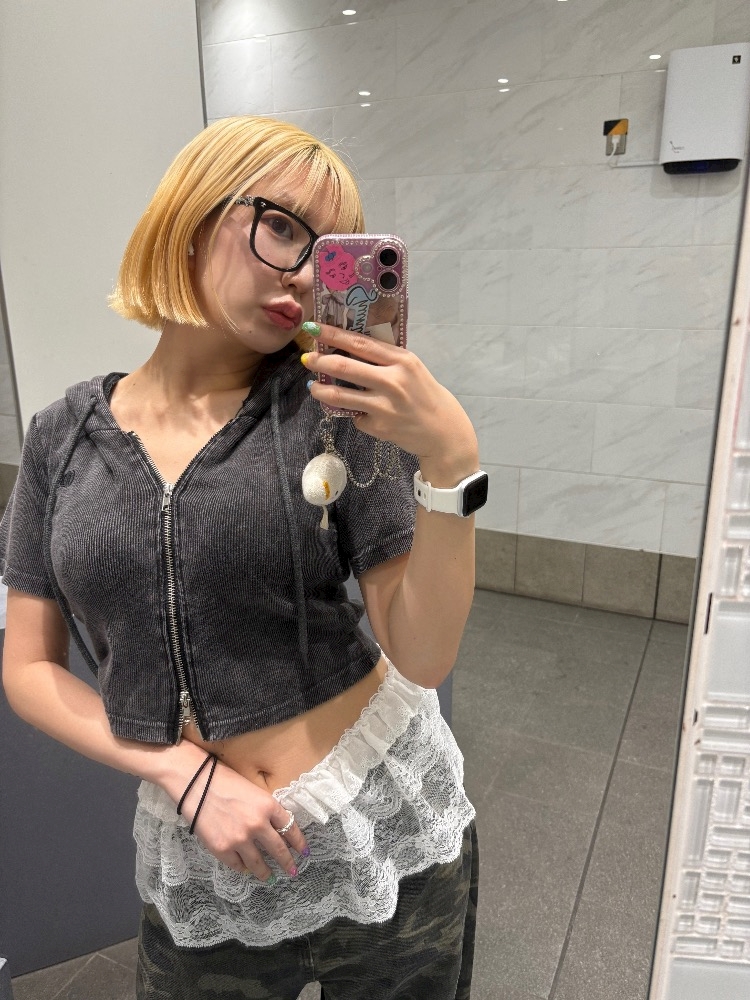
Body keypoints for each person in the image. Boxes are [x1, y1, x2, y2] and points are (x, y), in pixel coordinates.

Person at [0, 116, 485, 1000]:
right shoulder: (60, 440)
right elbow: (29, 668)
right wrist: (180, 772)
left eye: (323, 251)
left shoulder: (336, 408)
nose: (300, 273)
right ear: (192, 213)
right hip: (207, 852)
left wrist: (450, 459)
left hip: (380, 824)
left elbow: (421, 655)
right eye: (282, 227)